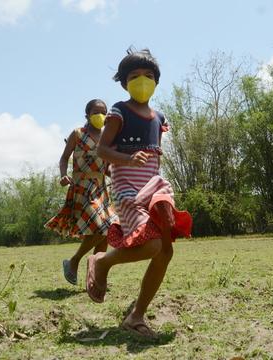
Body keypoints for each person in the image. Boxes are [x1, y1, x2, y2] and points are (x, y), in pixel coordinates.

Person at [87, 48, 192, 338]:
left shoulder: (159, 117)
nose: (142, 81)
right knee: (151, 245)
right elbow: (102, 149)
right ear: (124, 83)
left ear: (156, 81)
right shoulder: (119, 111)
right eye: (135, 76)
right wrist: (128, 159)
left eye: (148, 76)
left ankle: (136, 316)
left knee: (165, 250)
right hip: (127, 187)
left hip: (154, 186)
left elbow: (155, 155)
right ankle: (102, 261)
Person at [45, 99, 117, 286]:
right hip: (82, 188)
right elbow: (64, 159)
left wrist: (120, 179)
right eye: (95, 111)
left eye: (103, 112)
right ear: (87, 115)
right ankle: (74, 261)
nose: (100, 115)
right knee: (101, 227)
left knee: (106, 231)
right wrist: (63, 175)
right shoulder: (78, 134)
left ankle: (96, 277)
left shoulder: (107, 138)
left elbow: (106, 168)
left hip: (101, 188)